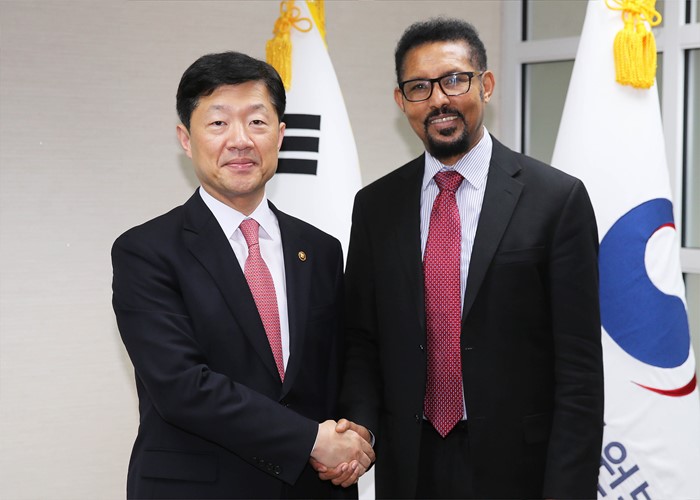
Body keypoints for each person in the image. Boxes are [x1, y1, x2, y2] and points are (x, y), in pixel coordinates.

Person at [325, 18, 604, 499]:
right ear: (401, 102)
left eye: (454, 80)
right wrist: (362, 430)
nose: (438, 99)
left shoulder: (557, 200)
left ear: (486, 85)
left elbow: (579, 371)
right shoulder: (375, 206)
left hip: (520, 470)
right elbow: (363, 341)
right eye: (419, 87)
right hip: (410, 466)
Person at [112, 51, 374, 499]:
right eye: (218, 123)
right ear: (185, 138)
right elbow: (182, 387)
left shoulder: (321, 249)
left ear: (280, 135)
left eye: (257, 122)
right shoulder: (146, 251)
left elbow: (349, 358)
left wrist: (358, 433)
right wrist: (313, 441)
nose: (240, 140)